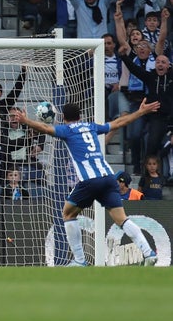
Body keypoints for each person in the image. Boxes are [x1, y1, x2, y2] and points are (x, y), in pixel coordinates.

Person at [13, 100, 160, 266]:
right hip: (109, 178)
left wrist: (26, 121)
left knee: (68, 213)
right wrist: (140, 112)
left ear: (62, 117)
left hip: (90, 180)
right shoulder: (91, 126)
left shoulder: (66, 130)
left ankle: (80, 260)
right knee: (121, 219)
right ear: (80, 116)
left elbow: (45, 128)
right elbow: (119, 122)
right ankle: (148, 253)